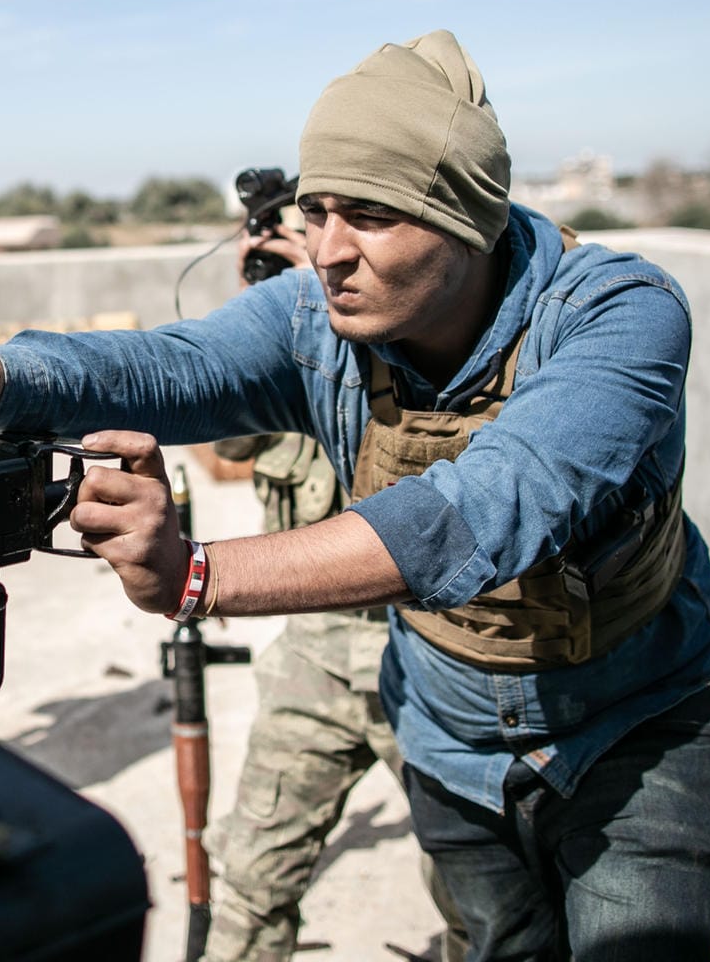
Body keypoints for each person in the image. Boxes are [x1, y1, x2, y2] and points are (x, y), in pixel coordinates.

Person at [0, 29, 710, 961]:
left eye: (371, 214)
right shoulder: (317, 315)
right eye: (315, 209)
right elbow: (157, 370)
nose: (326, 248)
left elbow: (489, 509)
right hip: (444, 733)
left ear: (463, 220)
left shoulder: (616, 315)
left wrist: (194, 573)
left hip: (628, 737)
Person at [204, 229, 468, 962]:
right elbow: (227, 444)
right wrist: (264, 311)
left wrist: (334, 319)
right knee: (253, 879)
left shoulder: (422, 346)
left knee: (475, 895)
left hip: (420, 654)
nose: (329, 255)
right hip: (314, 659)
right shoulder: (287, 342)